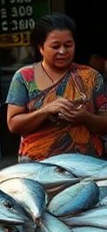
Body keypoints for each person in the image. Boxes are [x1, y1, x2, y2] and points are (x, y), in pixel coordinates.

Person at [6, 13, 107, 161]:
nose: (62, 51)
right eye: (55, 46)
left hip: (87, 165)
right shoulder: (24, 78)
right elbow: (14, 124)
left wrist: (85, 118)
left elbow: (104, 123)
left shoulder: (91, 76)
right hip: (38, 167)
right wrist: (45, 111)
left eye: (68, 45)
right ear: (41, 47)